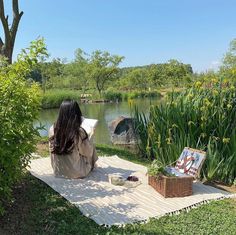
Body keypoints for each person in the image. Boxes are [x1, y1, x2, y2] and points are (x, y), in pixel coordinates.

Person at [49, 100, 98, 178]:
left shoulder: (52, 129)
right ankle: (92, 166)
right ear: (77, 113)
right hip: (76, 172)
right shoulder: (78, 132)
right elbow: (88, 153)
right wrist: (91, 136)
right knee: (90, 144)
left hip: (58, 170)